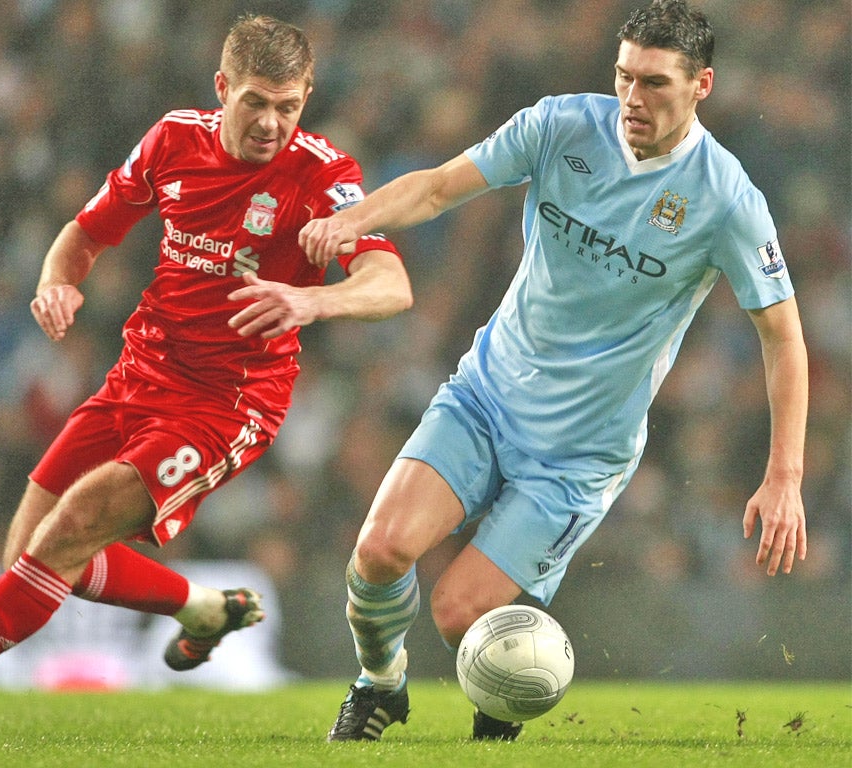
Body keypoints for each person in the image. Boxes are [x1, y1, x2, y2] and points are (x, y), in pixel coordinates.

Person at [0, 14, 412, 742]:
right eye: (256, 102)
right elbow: (86, 233)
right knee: (29, 556)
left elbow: (391, 284)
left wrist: (314, 297)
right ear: (221, 88)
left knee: (72, 527)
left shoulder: (322, 174)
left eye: (288, 105)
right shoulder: (174, 138)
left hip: (224, 405)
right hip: (139, 373)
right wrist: (59, 282)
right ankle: (200, 607)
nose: (272, 122)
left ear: (306, 99)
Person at [300, 0, 808, 743]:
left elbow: (784, 337)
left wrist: (785, 475)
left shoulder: (726, 198)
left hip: (578, 453)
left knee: (460, 613)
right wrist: (355, 220)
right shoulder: (558, 126)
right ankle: (381, 685)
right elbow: (439, 185)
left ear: (703, 85)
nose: (633, 99)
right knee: (378, 554)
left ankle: (500, 711)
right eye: (624, 77)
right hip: (485, 396)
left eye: (656, 84)